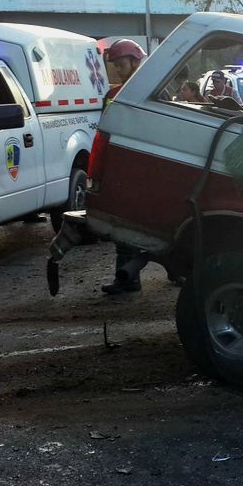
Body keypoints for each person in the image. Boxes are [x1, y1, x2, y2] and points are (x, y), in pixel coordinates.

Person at [100, 39, 148, 295]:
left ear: (135, 62)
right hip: (122, 168)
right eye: (116, 65)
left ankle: (128, 279)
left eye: (122, 64)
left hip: (138, 171)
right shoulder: (115, 94)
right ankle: (128, 278)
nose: (119, 70)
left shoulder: (149, 92)